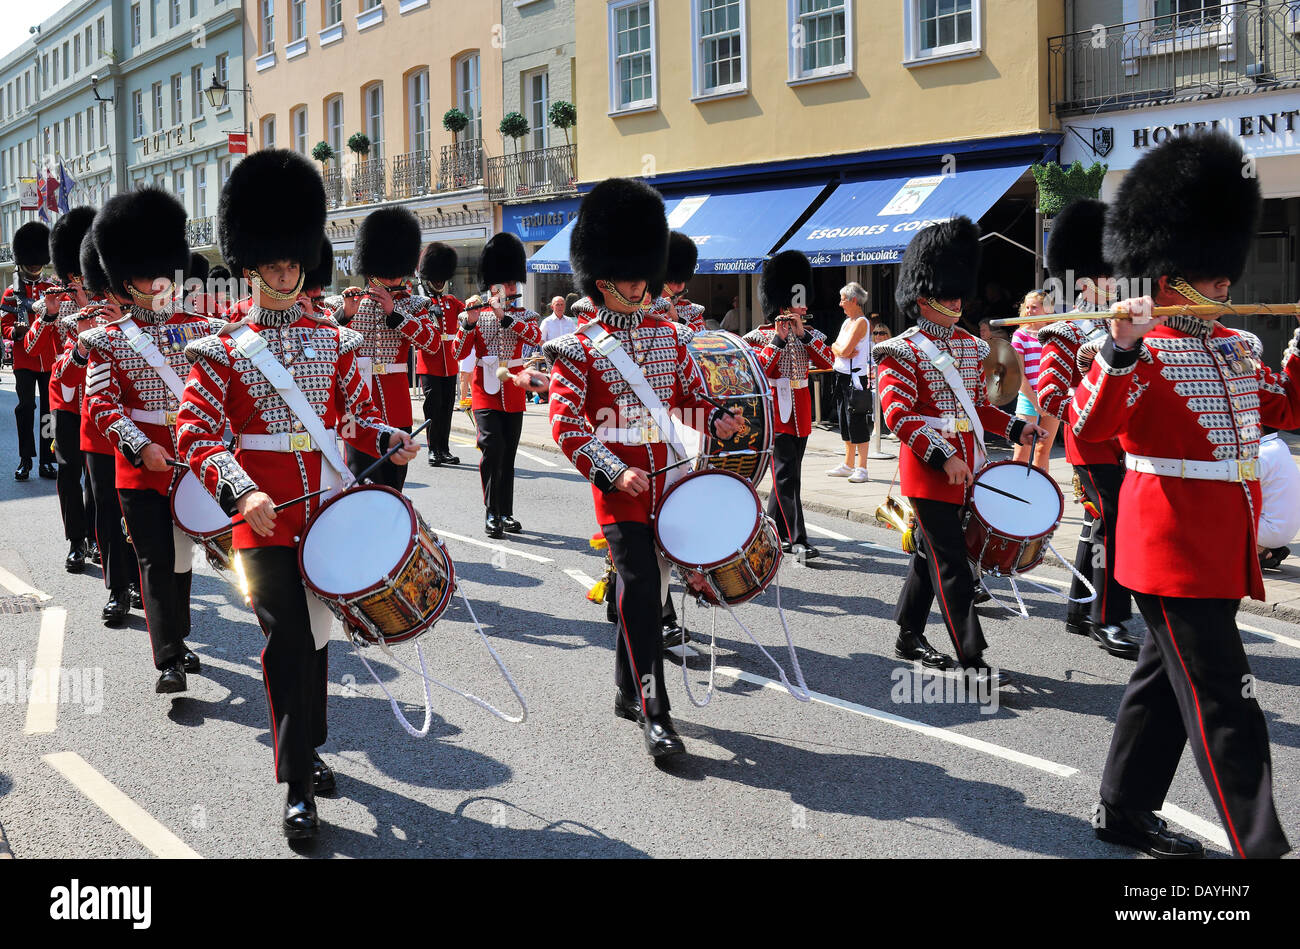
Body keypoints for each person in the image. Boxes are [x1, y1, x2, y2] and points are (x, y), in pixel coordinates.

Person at [178, 148, 418, 840]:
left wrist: (388, 437)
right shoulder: (221, 349)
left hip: (325, 518)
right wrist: (241, 490)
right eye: (272, 262)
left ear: (305, 259)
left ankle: (308, 747)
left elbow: (354, 417)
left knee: (317, 642)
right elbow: (197, 436)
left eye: (293, 261)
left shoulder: (338, 342)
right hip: (261, 521)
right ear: (250, 263)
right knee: (286, 642)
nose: (285, 272)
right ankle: (296, 782)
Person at [1074, 131, 1296, 859]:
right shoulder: (1141, 351)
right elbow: (1090, 428)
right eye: (1212, 268)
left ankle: (1124, 807)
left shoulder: (1235, 345)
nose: (1226, 281)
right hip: (1168, 549)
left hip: (1223, 543)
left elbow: (1283, 408)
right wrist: (1120, 349)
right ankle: (1262, 847)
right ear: (1174, 271)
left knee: (1163, 686)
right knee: (1226, 699)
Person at [543, 177, 741, 759]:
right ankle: (657, 711)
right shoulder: (576, 347)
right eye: (628, 276)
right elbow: (566, 427)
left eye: (641, 273)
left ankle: (627, 688)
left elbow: (690, 394)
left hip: (671, 479)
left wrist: (718, 415)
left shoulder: (670, 336)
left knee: (646, 594)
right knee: (642, 587)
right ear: (602, 279)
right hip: (622, 489)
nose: (638, 283)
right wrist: (611, 471)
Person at [873, 217, 1045, 682]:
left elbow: (975, 409)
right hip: (930, 473)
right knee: (953, 565)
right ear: (923, 296)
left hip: (966, 467)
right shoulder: (898, 350)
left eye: (957, 293)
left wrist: (1015, 427)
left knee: (931, 555)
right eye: (946, 295)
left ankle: (909, 633)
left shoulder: (970, 346)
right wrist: (940, 456)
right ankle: (973, 660)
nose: (955, 301)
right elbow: (900, 416)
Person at [83, 188, 215, 695]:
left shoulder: (202, 330)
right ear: (126, 280)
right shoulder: (107, 338)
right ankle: (168, 659)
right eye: (144, 275)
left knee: (183, 559)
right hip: (139, 468)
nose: (156, 283)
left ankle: (177, 638)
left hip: (190, 460)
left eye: (160, 273)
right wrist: (140, 446)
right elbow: (100, 406)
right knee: (155, 558)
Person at [1036, 198, 1138, 660]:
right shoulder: (1066, 330)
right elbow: (1052, 395)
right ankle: (1108, 618)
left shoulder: (1124, 326)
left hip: (1124, 445)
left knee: (1096, 522)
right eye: (1108, 274)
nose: (1117, 280)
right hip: (1091, 444)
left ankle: (1080, 608)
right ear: (1085, 282)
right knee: (1113, 523)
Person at [64, 234, 140, 624]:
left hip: (142, 431)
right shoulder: (83, 320)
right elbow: (64, 375)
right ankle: (117, 589)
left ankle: (141, 584)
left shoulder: (143, 314)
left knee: (140, 513)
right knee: (109, 511)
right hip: (98, 432)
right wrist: (83, 342)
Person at [340, 206, 444, 491]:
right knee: (358, 481)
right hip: (357, 404)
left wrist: (394, 313)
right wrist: (344, 316)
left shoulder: (413, 304)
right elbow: (329, 345)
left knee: (394, 483)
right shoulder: (349, 302)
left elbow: (433, 344)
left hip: (395, 403)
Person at [744, 252, 835, 559]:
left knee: (789, 474)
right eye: (799, 301)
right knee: (785, 476)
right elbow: (758, 371)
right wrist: (779, 340)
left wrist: (803, 337)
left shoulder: (809, 334)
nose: (805, 307)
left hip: (801, 411)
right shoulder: (760, 337)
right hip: (776, 412)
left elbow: (829, 362)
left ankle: (775, 530)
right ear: (783, 304)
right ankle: (799, 539)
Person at [454, 233, 542, 538]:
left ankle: (506, 512)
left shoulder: (524, 314)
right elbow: (459, 353)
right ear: (493, 285)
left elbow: (535, 338)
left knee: (509, 454)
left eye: (513, 283)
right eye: (506, 283)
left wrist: (505, 317)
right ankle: (492, 513)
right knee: (492, 449)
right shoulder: (476, 315)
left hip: (514, 392)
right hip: (484, 391)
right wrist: (468, 323)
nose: (512, 288)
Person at [45, 207, 99, 574]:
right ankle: (75, 541)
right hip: (64, 398)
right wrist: (51, 312)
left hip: (97, 397)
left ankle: (96, 535)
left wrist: (85, 301)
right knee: (68, 472)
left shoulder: (100, 294)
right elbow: (35, 346)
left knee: (97, 475)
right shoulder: (55, 297)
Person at [2, 221, 56, 481]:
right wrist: (16, 332)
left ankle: (48, 460)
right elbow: (5, 326)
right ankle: (25, 459)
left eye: (38, 264)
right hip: (24, 360)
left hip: (48, 361)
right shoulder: (11, 293)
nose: (35, 269)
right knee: (25, 408)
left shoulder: (50, 290)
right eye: (31, 264)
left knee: (49, 412)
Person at [415, 241, 464, 467]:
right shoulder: (420, 303)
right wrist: (424, 310)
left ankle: (444, 449)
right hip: (430, 363)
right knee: (433, 407)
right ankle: (432, 449)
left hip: (450, 363)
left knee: (446, 407)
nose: (439, 282)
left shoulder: (452, 302)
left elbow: (468, 315)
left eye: (441, 278)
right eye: (435, 278)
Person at [827, 282, 873, 483]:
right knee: (844, 420)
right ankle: (848, 464)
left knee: (857, 420)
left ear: (854, 301)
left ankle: (862, 467)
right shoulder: (847, 322)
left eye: (843, 300)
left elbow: (844, 350)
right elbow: (836, 346)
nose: (840, 304)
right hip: (841, 375)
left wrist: (840, 349)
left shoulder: (861, 322)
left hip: (855, 378)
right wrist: (840, 349)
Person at [1009, 291, 1059, 471]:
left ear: (1047, 309)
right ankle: (1016, 493)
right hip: (1029, 397)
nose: (1029, 311)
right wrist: (1035, 403)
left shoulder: (1056, 333)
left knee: (1043, 451)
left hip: (1052, 397)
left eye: (1034, 307)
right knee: (1022, 453)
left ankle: (1043, 493)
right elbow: (1019, 374)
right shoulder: (1020, 335)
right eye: (1027, 307)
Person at [1257, 425, 1300, 570]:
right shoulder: (1280, 445)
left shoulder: (1260, 453)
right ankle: (1270, 549)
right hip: (1288, 532)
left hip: (1270, 531)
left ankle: (1261, 552)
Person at [651, 232, 707, 333]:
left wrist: (677, 319)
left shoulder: (692, 311)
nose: (681, 288)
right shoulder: (640, 309)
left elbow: (702, 340)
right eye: (676, 282)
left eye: (683, 281)